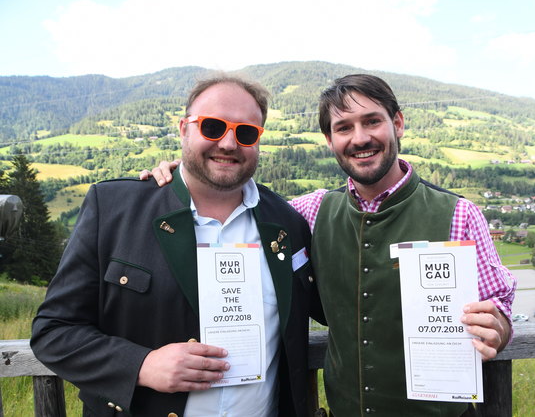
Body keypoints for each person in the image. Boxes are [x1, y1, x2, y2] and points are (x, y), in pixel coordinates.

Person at [143, 74, 516, 416]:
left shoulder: (460, 214)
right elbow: (239, 203)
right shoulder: (312, 210)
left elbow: (499, 306)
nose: (360, 138)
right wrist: (189, 173)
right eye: (343, 127)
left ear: (397, 123)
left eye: (372, 121)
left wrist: (497, 327)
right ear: (330, 140)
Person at [31, 74, 321, 417]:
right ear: (184, 129)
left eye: (245, 132)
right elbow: (53, 332)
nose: (228, 143)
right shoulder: (113, 209)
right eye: (212, 127)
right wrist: (141, 365)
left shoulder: (288, 224)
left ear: (259, 140)